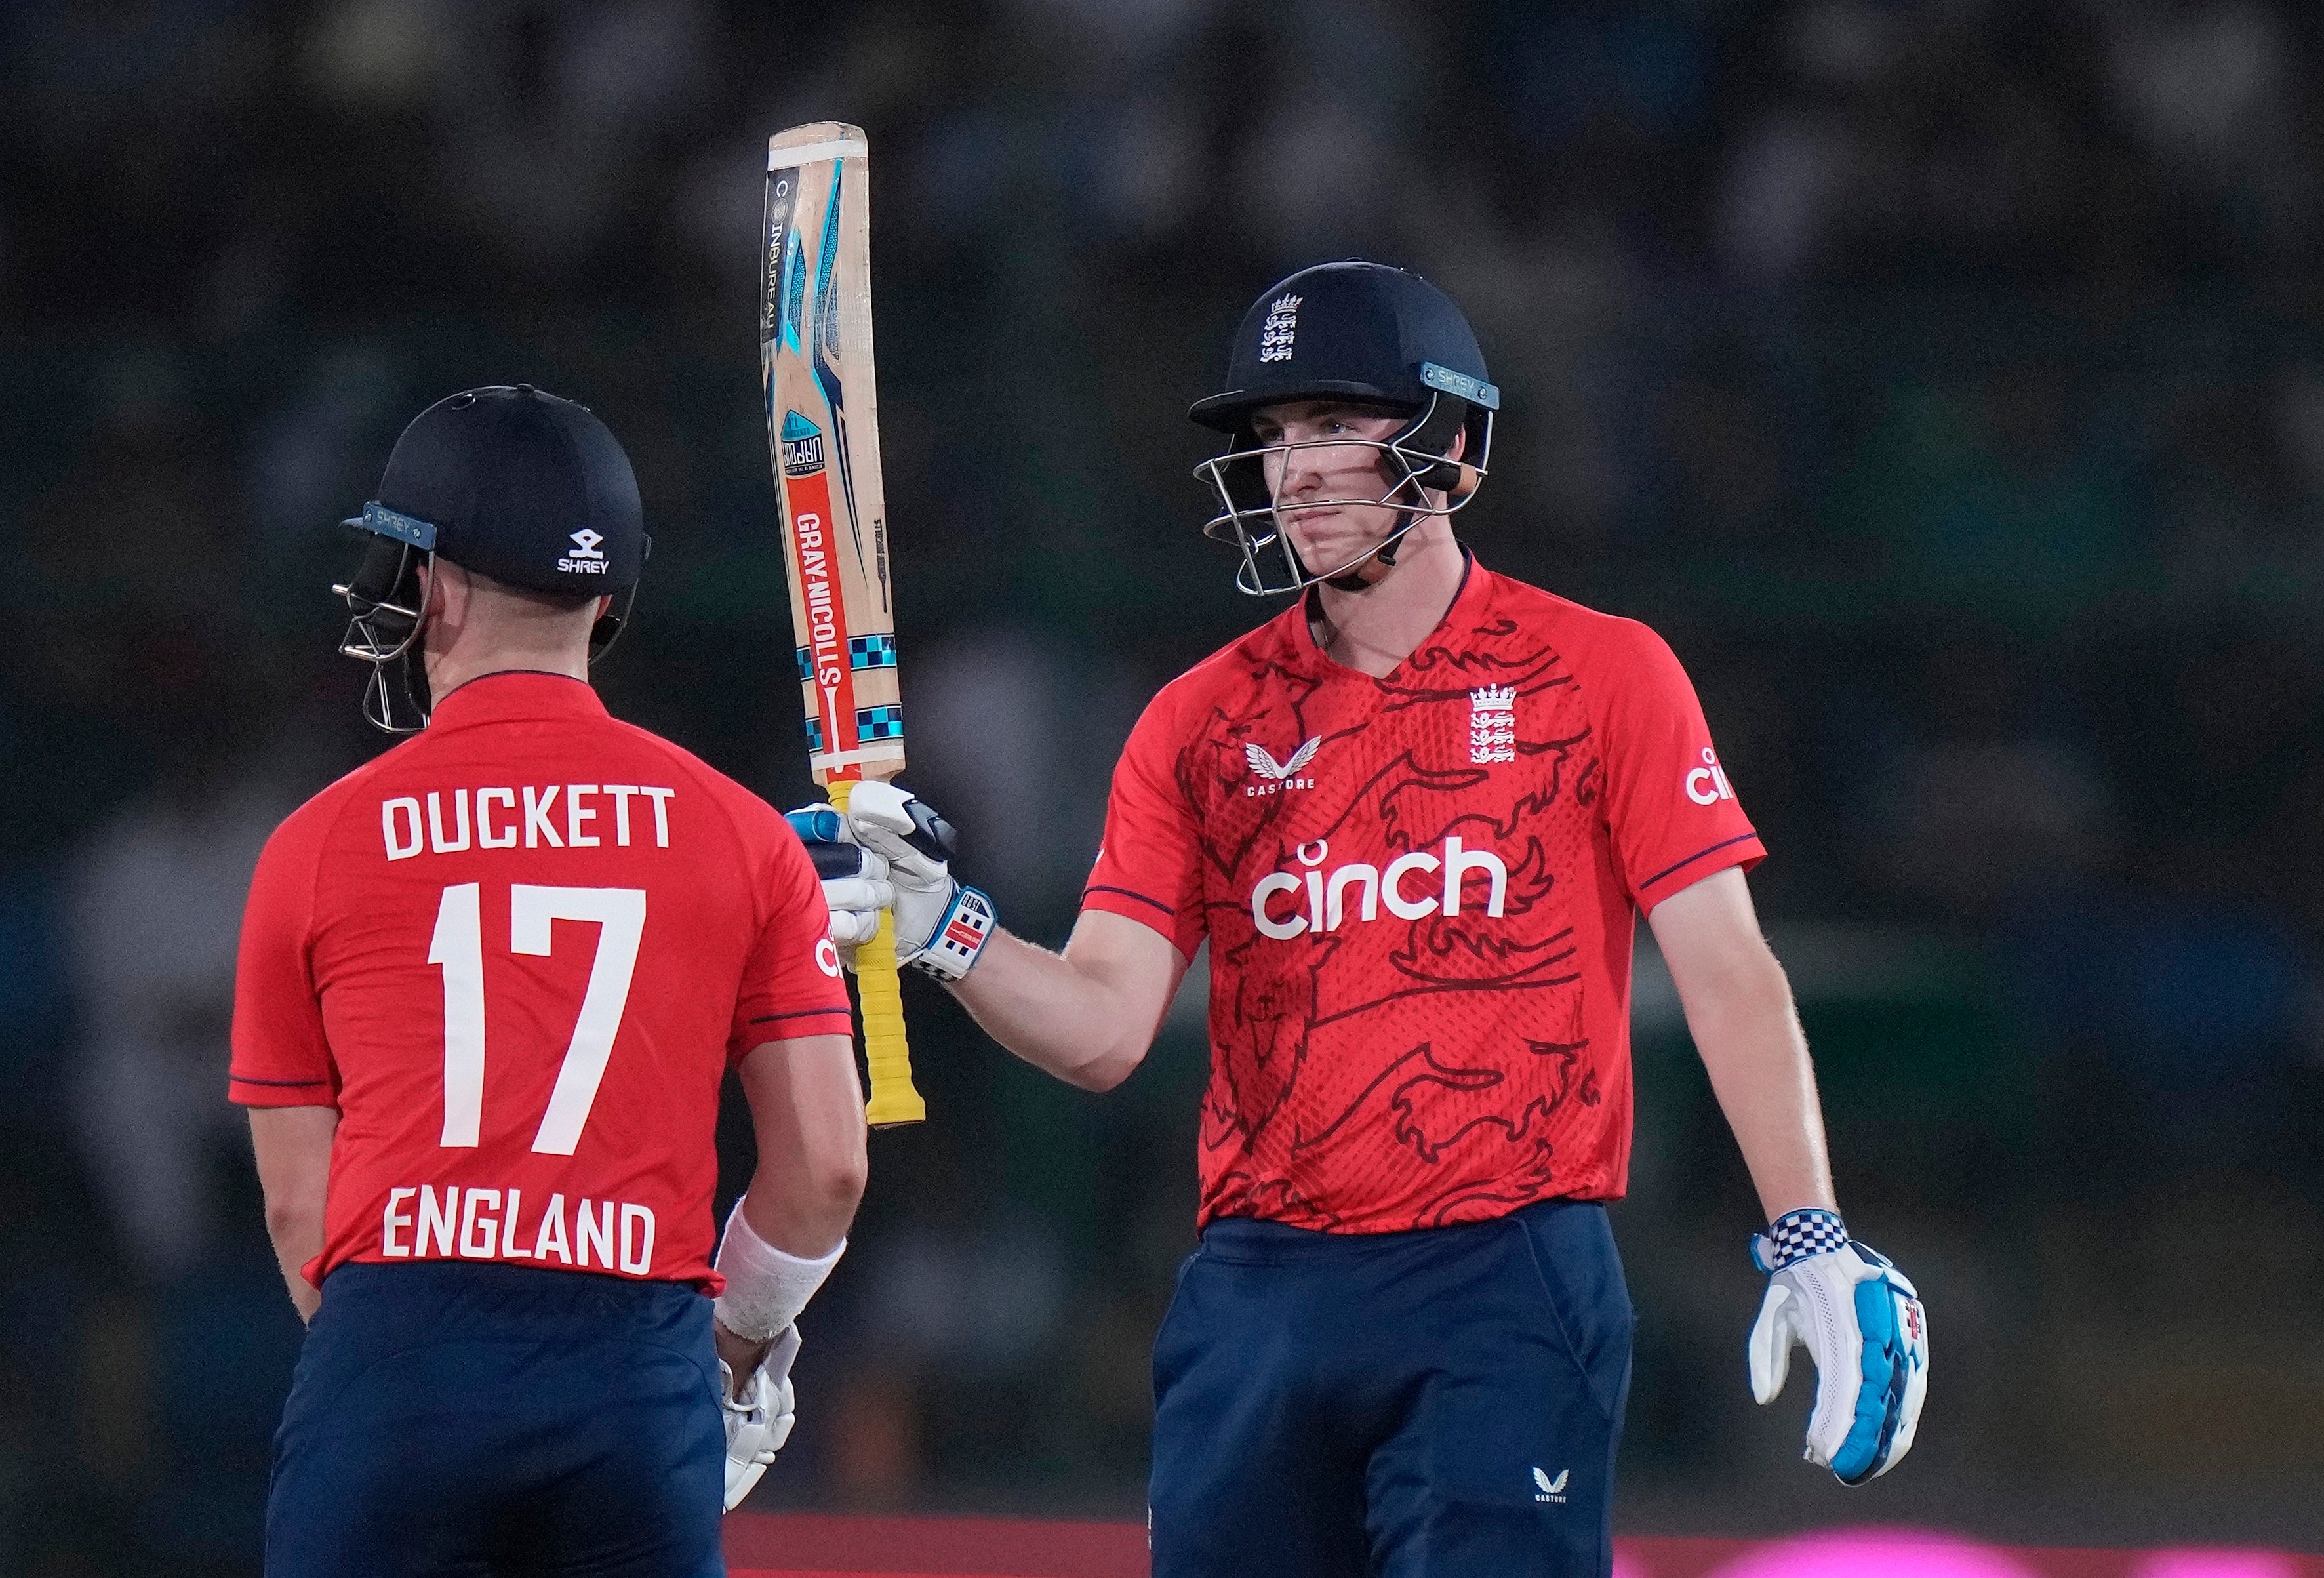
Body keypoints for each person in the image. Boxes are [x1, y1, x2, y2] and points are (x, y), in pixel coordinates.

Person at [797, 263, 1927, 1575]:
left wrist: (1807, 1231)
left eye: (1333, 424)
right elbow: (1103, 1026)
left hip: (1504, 1275)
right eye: (1273, 438)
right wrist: (944, 926)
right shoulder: (1198, 722)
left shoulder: (1599, 672)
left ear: (1446, 439)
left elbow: (1728, 971)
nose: (1295, 470)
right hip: (1257, 1289)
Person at [231, 384, 868, 1578]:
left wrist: (417, 1365)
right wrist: (726, 1347)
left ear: (434, 585)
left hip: (399, 1347)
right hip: (635, 1362)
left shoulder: (315, 844)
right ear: (607, 596)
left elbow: (294, 1210)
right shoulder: (742, 835)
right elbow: (827, 1168)